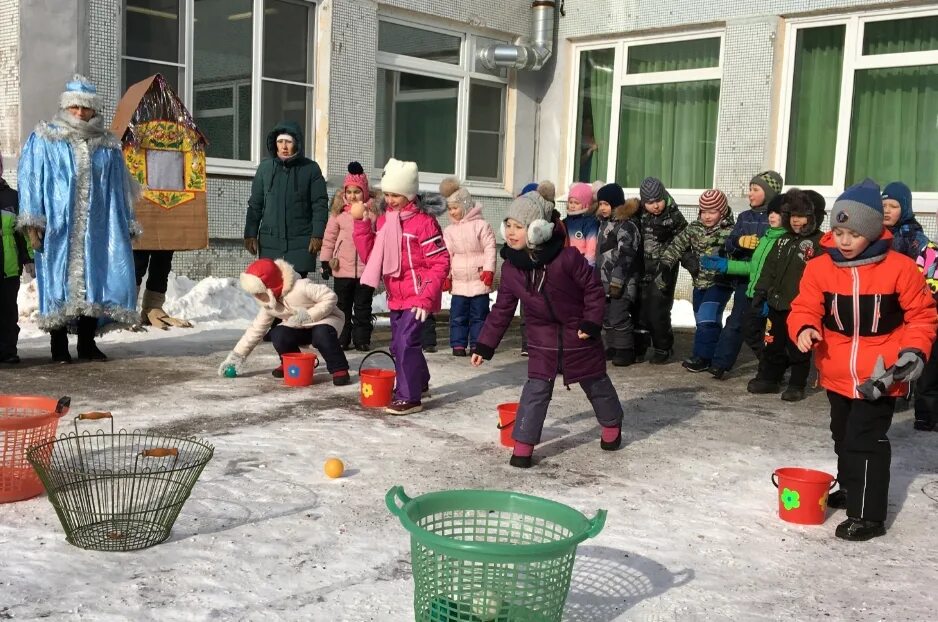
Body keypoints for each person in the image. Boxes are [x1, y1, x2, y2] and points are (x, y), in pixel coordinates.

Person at [789, 179, 937, 541]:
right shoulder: (820, 268)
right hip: (836, 369)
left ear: (871, 231)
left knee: (864, 439)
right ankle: (854, 488)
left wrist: (913, 351)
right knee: (842, 435)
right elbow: (804, 307)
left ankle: (868, 515)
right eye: (838, 231)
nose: (843, 240)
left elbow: (922, 315)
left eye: (852, 233)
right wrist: (805, 327)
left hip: (882, 374)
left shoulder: (899, 269)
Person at [471, 190, 624, 468]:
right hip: (541, 340)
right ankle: (523, 446)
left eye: (519, 226)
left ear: (537, 230)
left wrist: (591, 322)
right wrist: (485, 344)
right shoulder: (511, 269)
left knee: (596, 383)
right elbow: (502, 309)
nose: (512, 232)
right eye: (509, 225)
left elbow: (593, 290)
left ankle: (612, 424)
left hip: (578, 334)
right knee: (535, 391)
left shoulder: (567, 258)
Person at [17, 74, 140, 362]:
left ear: (94, 109)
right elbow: (32, 178)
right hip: (58, 226)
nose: (80, 112)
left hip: (98, 229)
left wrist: (126, 223)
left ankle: (87, 343)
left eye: (85, 107)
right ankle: (58, 346)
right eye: (75, 106)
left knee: (95, 281)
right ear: (66, 106)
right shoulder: (46, 138)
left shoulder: (108, 146)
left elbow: (120, 188)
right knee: (57, 283)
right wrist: (33, 220)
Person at [352, 158, 450, 415]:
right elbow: (372, 256)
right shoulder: (385, 221)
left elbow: (440, 261)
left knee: (406, 342)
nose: (390, 200)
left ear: (410, 193)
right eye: (387, 194)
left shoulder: (424, 223)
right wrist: (362, 225)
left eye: (396, 194)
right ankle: (420, 381)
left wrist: (425, 297)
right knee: (399, 345)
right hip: (397, 294)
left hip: (418, 295)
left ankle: (410, 396)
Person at [746, 189, 826, 402]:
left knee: (797, 347)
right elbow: (769, 268)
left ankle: (797, 383)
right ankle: (770, 378)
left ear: (814, 217)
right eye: (792, 216)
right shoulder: (782, 240)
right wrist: (761, 292)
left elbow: (823, 276)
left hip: (800, 306)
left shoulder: (821, 243)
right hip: (776, 303)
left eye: (801, 216)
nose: (796, 221)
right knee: (771, 342)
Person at [219, 258, 351, 385]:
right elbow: (256, 330)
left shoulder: (301, 287)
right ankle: (291, 362)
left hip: (325, 321)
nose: (257, 296)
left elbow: (330, 297)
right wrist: (236, 356)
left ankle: (339, 368)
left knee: (322, 334)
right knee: (278, 333)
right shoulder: (269, 303)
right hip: (298, 326)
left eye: (259, 292)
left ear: (271, 286)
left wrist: (309, 315)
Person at [709, 171, 783, 379]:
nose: (749, 193)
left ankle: (772, 366)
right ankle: (720, 363)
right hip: (745, 280)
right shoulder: (744, 217)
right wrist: (739, 242)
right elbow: (730, 243)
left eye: (755, 189)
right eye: (750, 188)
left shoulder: (778, 219)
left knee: (767, 327)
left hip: (770, 282)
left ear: (769, 193)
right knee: (736, 321)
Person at [655, 190, 735, 372]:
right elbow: (677, 245)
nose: (707, 216)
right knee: (703, 320)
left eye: (712, 212)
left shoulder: (730, 231)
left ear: (722, 212)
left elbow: (737, 253)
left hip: (720, 282)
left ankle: (703, 357)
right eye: (703, 211)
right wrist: (666, 264)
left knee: (707, 316)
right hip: (699, 281)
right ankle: (714, 354)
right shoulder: (694, 228)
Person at [244, 121, 328, 278]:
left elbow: (320, 204)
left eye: (288, 142)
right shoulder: (265, 169)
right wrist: (250, 233)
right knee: (271, 290)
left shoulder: (310, 169)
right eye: (280, 142)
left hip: (301, 240)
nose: (284, 146)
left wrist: (317, 234)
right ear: (274, 143)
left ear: (296, 143)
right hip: (270, 242)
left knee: (296, 292)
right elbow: (255, 205)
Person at [319, 162, 376, 351]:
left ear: (365, 193)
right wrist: (326, 260)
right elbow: (329, 238)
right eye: (349, 192)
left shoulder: (372, 214)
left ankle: (362, 339)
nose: (352, 196)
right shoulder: (338, 214)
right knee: (342, 307)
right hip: (341, 268)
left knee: (362, 307)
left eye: (357, 192)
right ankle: (342, 338)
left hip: (365, 269)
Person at [440, 177, 496, 357]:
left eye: (455, 208)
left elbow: (489, 248)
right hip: (460, 283)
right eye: (450, 209)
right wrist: (446, 276)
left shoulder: (481, 226)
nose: (452, 212)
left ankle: (477, 345)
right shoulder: (449, 231)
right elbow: (447, 255)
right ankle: (458, 344)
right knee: (457, 316)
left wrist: (489, 269)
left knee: (479, 316)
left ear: (465, 206)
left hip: (479, 279)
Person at [637, 177, 688, 364]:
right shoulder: (639, 213)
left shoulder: (674, 217)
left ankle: (663, 347)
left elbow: (685, 241)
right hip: (642, 267)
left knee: (658, 308)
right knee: (640, 308)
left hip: (664, 269)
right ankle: (639, 346)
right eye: (650, 203)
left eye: (658, 201)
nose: (655, 206)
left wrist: (693, 266)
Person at [595, 184, 642, 366]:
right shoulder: (604, 224)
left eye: (606, 204)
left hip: (622, 282)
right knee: (606, 316)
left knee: (618, 316)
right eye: (600, 204)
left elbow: (626, 256)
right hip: (604, 280)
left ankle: (625, 350)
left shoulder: (626, 226)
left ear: (615, 204)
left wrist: (617, 280)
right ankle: (611, 347)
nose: (602, 208)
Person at [1, 153, 34, 364]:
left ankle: (7, 351)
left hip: (8, 266)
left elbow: (22, 233)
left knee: (7, 312)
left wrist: (29, 258)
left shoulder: (13, 197)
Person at [563, 182, 599, 266]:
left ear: (586, 205)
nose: (572, 206)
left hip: (582, 264)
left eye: (576, 203)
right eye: (570, 202)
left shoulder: (590, 222)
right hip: (566, 263)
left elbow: (591, 248)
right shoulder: (565, 221)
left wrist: (588, 266)